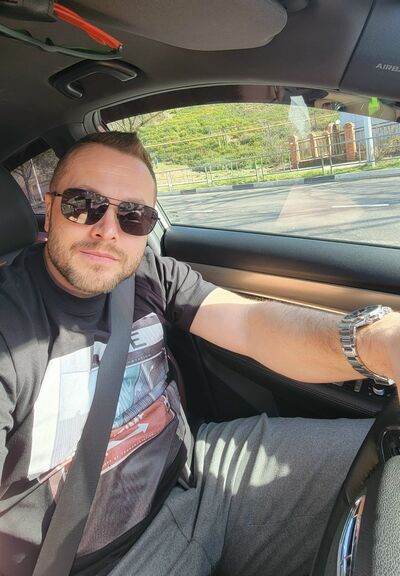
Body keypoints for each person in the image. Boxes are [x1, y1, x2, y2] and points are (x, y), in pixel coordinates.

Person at [0, 131, 397, 576]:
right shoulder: (10, 326)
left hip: (199, 474)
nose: (107, 230)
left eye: (133, 216)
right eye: (83, 204)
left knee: (390, 454)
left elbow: (249, 323)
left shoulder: (146, 273)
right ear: (49, 208)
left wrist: (375, 342)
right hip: (101, 562)